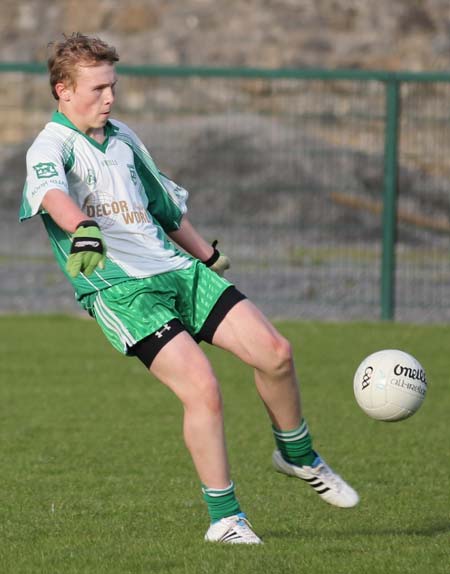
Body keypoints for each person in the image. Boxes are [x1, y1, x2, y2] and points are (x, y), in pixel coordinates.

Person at [20, 33, 359, 545]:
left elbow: (164, 209)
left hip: (177, 269)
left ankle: (297, 454)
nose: (109, 98)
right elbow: (51, 193)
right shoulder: (50, 145)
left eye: (112, 86)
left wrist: (207, 254)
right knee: (202, 388)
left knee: (276, 353)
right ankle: (225, 520)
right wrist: (82, 228)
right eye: (97, 89)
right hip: (122, 291)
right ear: (63, 90)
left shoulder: (124, 137)